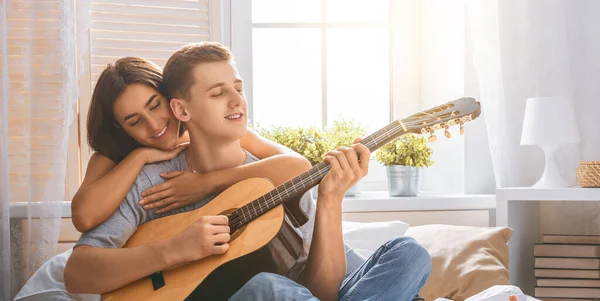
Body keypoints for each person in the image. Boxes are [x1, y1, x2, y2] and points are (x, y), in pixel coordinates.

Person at [64, 42, 432, 301]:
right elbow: (78, 270)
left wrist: (331, 197)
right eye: (217, 92)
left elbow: (322, 292)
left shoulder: (272, 177)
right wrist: (175, 248)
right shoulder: (150, 178)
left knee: (409, 251)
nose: (237, 100)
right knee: (268, 288)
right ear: (183, 108)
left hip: (294, 290)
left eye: (238, 88)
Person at [70, 57, 313, 233]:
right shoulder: (113, 155)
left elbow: (298, 167)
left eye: (155, 106)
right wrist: (140, 157)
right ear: (119, 128)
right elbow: (84, 217)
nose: (154, 126)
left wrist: (206, 182)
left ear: (174, 102)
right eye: (135, 122)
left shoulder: (206, 132)